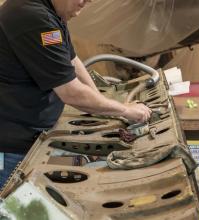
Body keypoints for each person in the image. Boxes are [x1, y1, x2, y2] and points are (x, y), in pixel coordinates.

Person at [0, 0, 151, 188]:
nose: (83, 6)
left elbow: (70, 59)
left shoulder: (49, 13)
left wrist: (103, 103)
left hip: (31, 135)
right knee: (13, 209)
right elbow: (71, 93)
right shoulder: (32, 17)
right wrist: (124, 111)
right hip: (11, 146)